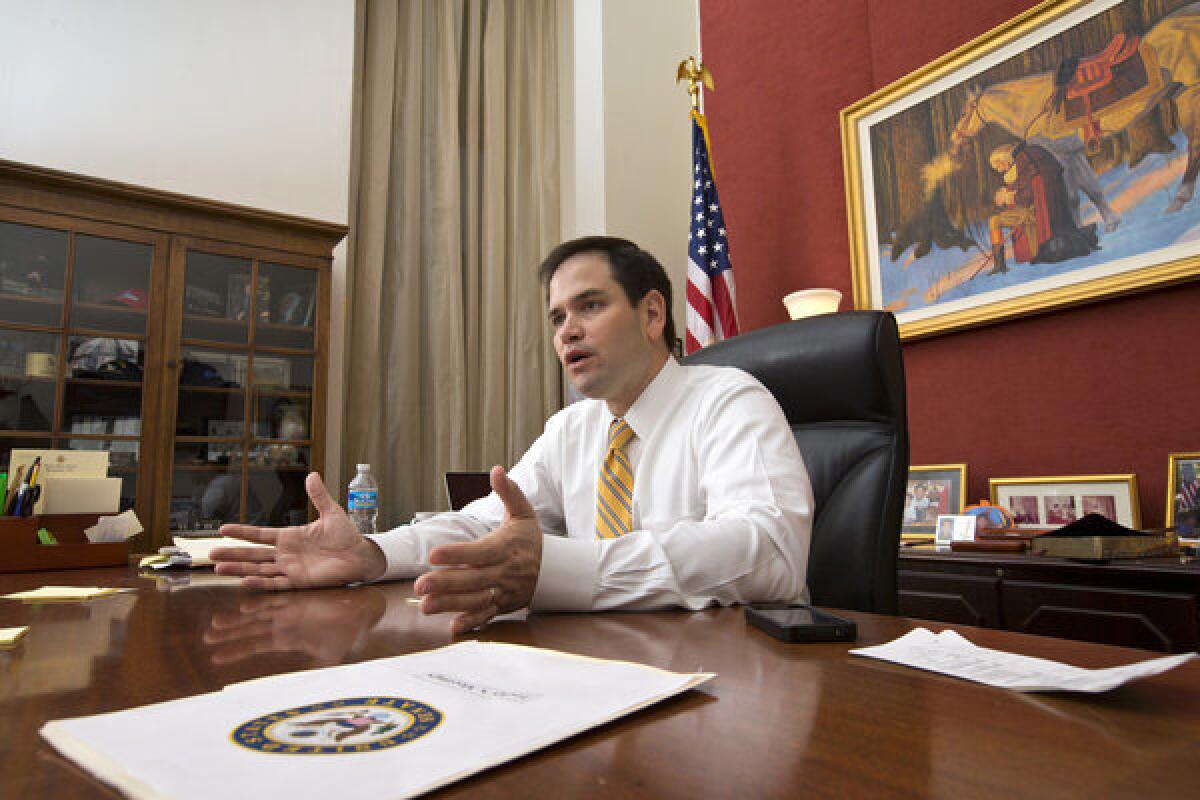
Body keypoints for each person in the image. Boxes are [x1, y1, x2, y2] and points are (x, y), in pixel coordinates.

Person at [212, 236, 813, 633]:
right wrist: (372, 554)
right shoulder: (572, 429)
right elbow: (482, 525)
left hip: (729, 681)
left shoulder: (728, 400)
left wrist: (556, 568)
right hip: (606, 663)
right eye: (556, 318)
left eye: (589, 306)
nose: (567, 332)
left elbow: (768, 551)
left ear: (653, 314)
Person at [987, 143, 1098, 274]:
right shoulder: (1019, 166)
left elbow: (1027, 195)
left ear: (1005, 159)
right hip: (1030, 209)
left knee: (994, 221)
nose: (999, 169)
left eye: (999, 164)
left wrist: (1007, 197)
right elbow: (1023, 188)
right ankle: (1000, 265)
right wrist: (1007, 193)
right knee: (995, 219)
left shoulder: (1021, 166)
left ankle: (1000, 265)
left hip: (1031, 212)